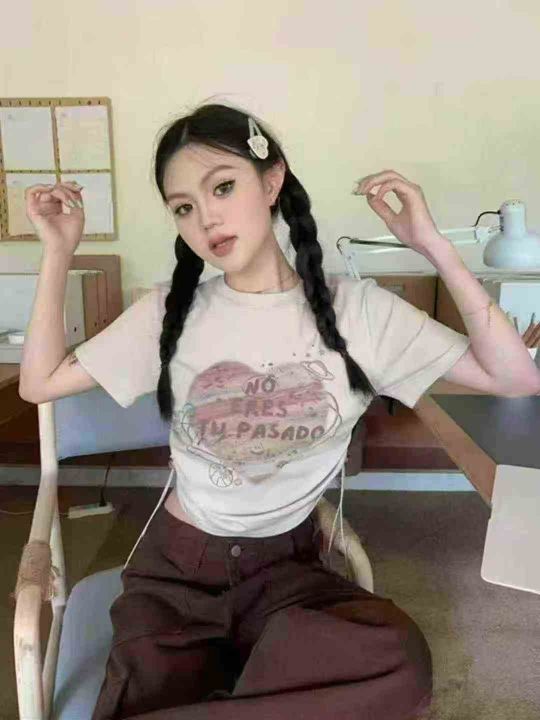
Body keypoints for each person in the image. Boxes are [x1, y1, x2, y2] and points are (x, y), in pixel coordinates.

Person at [22, 101, 474, 719]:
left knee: (398, 660)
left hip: (290, 569)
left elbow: (515, 376)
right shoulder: (168, 314)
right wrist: (57, 252)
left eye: (222, 187)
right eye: (183, 207)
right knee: (150, 688)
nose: (206, 218)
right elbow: (39, 383)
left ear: (272, 179)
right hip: (177, 572)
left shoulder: (360, 312)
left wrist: (433, 245)